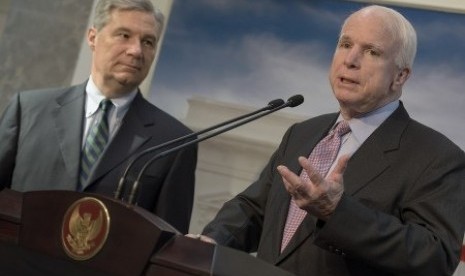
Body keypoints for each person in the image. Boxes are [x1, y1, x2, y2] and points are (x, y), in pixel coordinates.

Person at [187, 5, 465, 275]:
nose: (350, 60)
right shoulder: (302, 133)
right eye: (345, 45)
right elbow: (256, 208)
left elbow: (436, 258)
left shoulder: (436, 157)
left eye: (371, 51)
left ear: (400, 76)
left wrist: (338, 212)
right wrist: (214, 240)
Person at [0, 0, 197, 234]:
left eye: (147, 42)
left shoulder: (174, 142)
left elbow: (167, 244)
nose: (136, 51)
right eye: (124, 35)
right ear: (93, 38)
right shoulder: (28, 110)